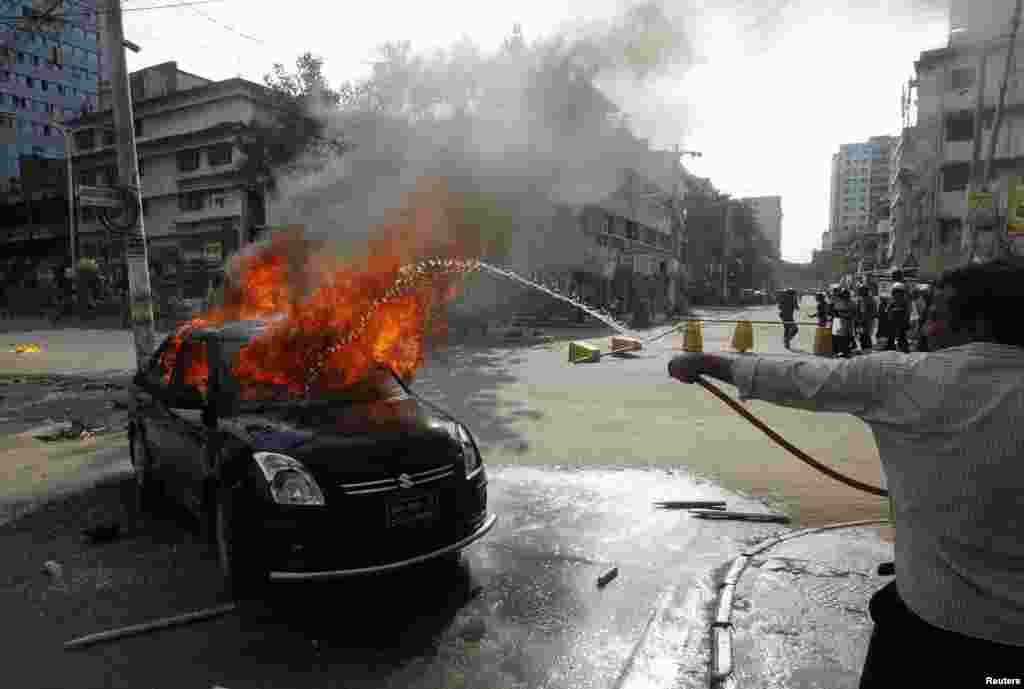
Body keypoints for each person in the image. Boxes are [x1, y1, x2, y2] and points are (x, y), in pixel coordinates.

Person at [668, 258, 1024, 687]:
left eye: (935, 317)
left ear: (978, 323)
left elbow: (800, 378)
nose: (923, 328)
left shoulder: (903, 377)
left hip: (935, 632)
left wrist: (706, 363)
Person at [886, 284, 911, 353]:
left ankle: (904, 348)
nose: (897, 294)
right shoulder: (892, 301)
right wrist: (890, 315)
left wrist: (906, 320)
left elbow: (907, 312)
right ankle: (890, 347)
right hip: (893, 321)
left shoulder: (905, 301)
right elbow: (888, 310)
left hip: (902, 321)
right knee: (892, 335)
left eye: (899, 292)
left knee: (902, 336)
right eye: (896, 292)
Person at [856, 284, 877, 351]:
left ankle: (868, 349)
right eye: (860, 290)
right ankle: (864, 348)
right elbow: (858, 310)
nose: (860, 292)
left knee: (866, 335)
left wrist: (867, 319)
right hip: (861, 320)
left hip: (868, 321)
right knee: (861, 335)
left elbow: (873, 312)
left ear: (866, 291)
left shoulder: (870, 299)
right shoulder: (860, 299)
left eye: (862, 290)